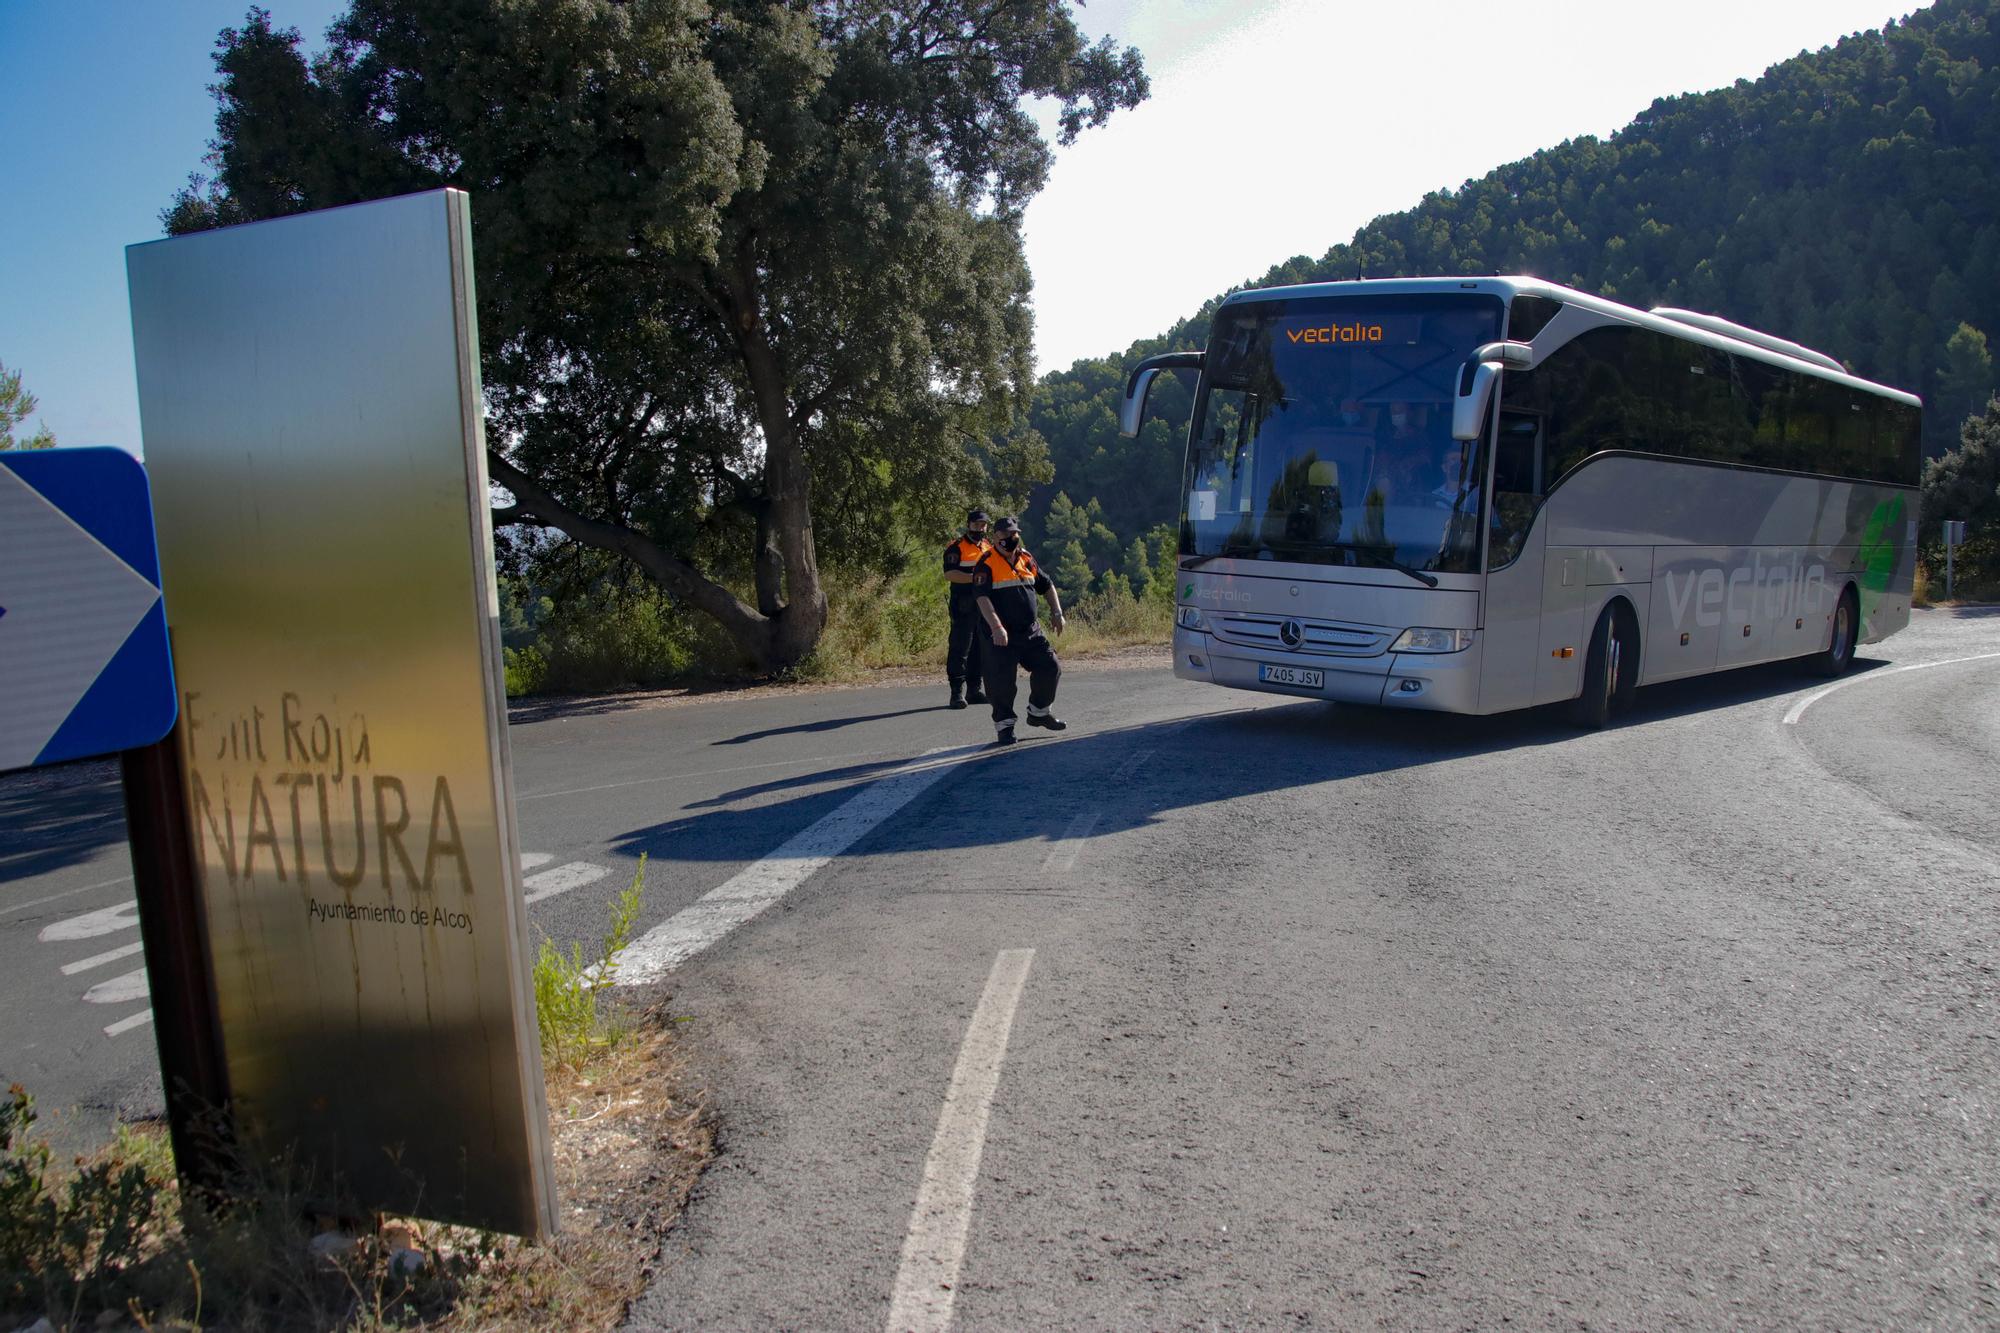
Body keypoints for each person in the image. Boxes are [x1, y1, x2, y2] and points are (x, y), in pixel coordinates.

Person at [971, 516, 1066, 746]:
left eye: (1014, 534)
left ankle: (1038, 713)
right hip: (1000, 634)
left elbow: (1047, 585)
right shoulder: (986, 563)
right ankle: (1005, 727)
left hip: (1030, 631)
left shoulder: (1026, 558)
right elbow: (982, 598)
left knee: (1050, 666)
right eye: (1005, 536)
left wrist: (1057, 612)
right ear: (995, 537)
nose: (1010, 539)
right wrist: (996, 627)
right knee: (1001, 681)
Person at [942, 509, 992, 709]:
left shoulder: (988, 546)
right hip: (963, 604)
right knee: (960, 648)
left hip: (984, 604)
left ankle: (974, 690)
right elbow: (950, 574)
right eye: (976, 524)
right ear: (968, 524)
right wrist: (975, 578)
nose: (979, 528)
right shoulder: (956, 547)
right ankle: (956, 693)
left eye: (983, 525)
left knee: (979, 648)